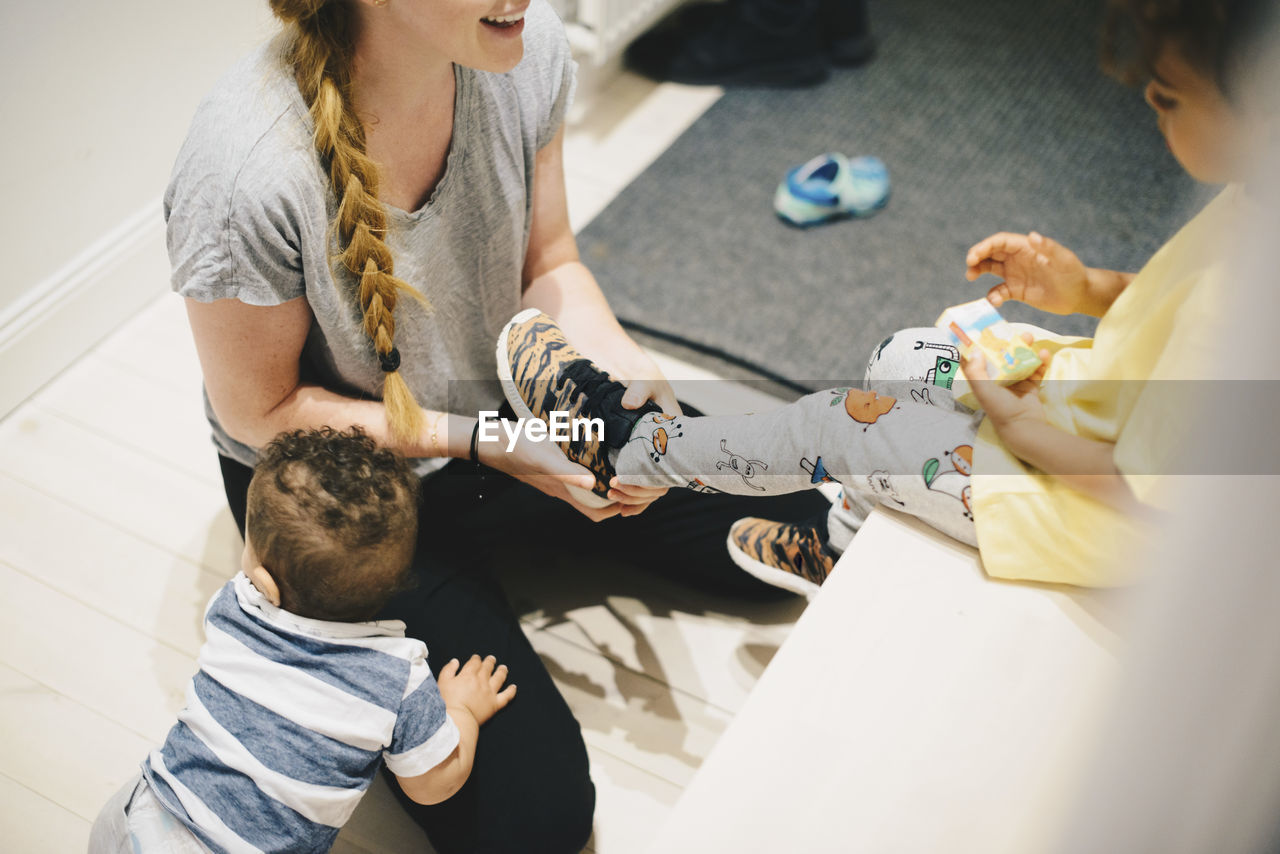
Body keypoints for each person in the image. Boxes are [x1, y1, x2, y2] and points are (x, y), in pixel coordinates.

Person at [167, 0, 827, 849]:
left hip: (500, 410)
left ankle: (511, 540)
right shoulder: (241, 172)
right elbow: (260, 413)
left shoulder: (524, 43)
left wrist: (624, 372)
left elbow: (549, 260)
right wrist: (500, 449)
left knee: (799, 517)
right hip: (349, 492)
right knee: (539, 824)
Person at [499, 0, 1275, 594]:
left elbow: (1144, 491)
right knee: (900, 356)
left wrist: (1021, 429)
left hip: (1083, 510)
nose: (1149, 104)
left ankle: (628, 448)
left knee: (839, 425)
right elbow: (1168, 302)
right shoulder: (1251, 196)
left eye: (1168, 96)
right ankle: (838, 542)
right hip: (1085, 411)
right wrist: (1083, 290)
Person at [88, 427, 516, 853]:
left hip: (139, 818)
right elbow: (431, 785)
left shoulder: (232, 607)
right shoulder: (398, 676)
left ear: (263, 583)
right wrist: (461, 709)